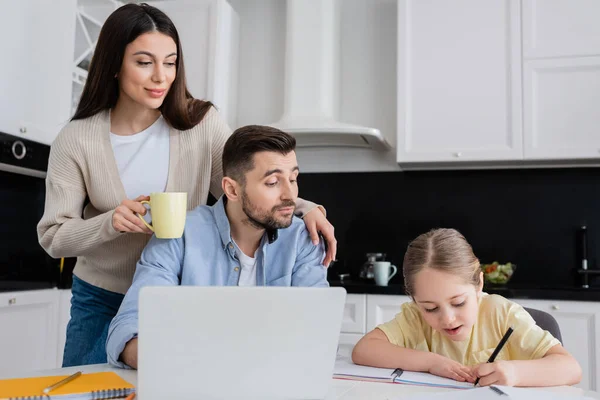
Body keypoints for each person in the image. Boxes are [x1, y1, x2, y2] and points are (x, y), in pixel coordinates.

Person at [36, 3, 336, 368]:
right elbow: (53, 236)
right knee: (83, 387)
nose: (161, 76)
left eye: (171, 62)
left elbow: (242, 186)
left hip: (176, 291)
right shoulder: (77, 138)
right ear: (114, 64)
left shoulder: (201, 123)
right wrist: (109, 222)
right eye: (144, 62)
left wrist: (307, 209)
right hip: (102, 295)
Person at [106, 125, 328, 369]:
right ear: (232, 189)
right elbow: (128, 325)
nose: (290, 195)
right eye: (273, 182)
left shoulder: (302, 240)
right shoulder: (179, 234)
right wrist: (170, 360)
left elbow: (318, 330)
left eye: (294, 179)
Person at [351, 228, 581, 387]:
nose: (448, 319)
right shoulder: (414, 318)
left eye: (458, 303)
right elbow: (364, 350)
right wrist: (432, 363)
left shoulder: (502, 314)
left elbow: (570, 368)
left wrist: (514, 372)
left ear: (479, 284)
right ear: (414, 300)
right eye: (430, 308)